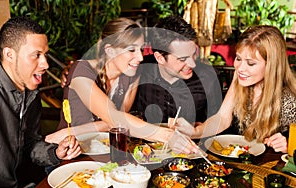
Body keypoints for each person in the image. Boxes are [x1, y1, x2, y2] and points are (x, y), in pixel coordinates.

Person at [46, 17, 199, 155]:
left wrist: (74, 131)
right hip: (69, 153)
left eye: (141, 49)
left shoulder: (131, 75)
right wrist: (168, 136)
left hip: (106, 153)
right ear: (110, 51)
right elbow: (116, 119)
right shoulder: (81, 71)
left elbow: (118, 124)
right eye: (131, 50)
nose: (139, 57)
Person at [173, 25, 296, 153]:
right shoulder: (241, 78)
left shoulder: (290, 99)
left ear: (272, 65)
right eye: (238, 58)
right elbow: (223, 118)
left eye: (250, 63)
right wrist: (194, 131)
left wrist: (289, 146)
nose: (240, 68)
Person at [0, 16, 81, 188]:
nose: (46, 64)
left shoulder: (31, 92)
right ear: (9, 54)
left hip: (26, 186)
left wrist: (56, 152)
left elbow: (31, 144)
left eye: (45, 55)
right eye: (36, 55)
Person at [131, 16, 222, 124]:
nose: (192, 64)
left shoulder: (209, 77)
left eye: (194, 54)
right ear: (160, 58)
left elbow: (218, 124)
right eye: (182, 59)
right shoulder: (139, 72)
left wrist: (202, 129)